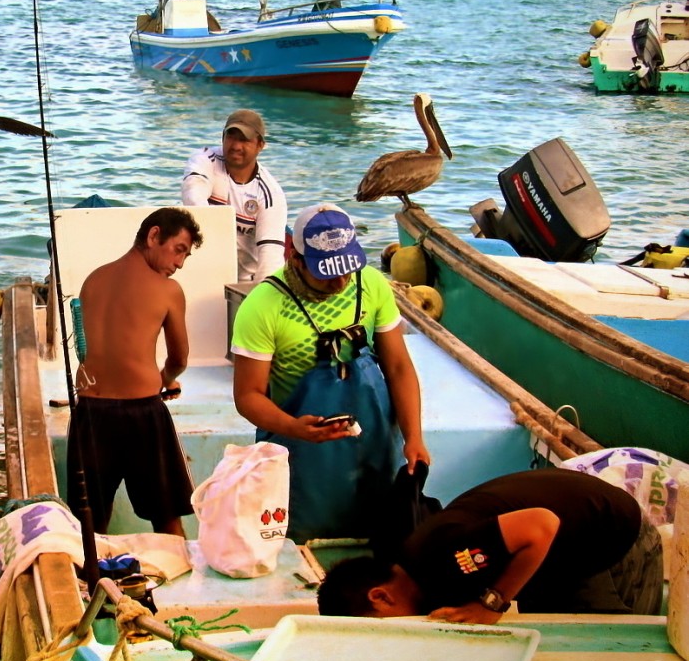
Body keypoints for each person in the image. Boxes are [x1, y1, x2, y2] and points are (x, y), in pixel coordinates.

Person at [229, 203, 429, 541]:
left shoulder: (372, 285)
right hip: (299, 449)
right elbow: (248, 396)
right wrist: (294, 427)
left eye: (347, 269)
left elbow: (397, 366)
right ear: (296, 258)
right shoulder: (263, 306)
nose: (340, 281)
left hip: (372, 442)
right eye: (326, 272)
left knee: (379, 530)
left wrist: (414, 437)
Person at [317, 468, 664, 623]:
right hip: (558, 551)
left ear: (380, 596)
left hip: (614, 536)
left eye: (379, 625)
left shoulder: (443, 559)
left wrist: (492, 603)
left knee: (608, 652)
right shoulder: (417, 567)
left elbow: (542, 525)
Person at [66, 207, 203, 538]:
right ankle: (179, 585)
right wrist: (166, 381)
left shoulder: (93, 278)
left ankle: (89, 582)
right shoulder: (168, 290)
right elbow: (179, 358)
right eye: (179, 250)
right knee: (167, 515)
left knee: (91, 520)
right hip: (142, 413)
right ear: (154, 236)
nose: (180, 263)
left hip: (89, 414)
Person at [181, 109, 288, 282]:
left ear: (260, 145)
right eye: (231, 137)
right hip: (200, 269)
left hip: (244, 279)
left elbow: (271, 256)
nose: (236, 146)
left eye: (244, 140)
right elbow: (193, 194)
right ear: (223, 137)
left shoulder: (271, 195)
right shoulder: (205, 159)